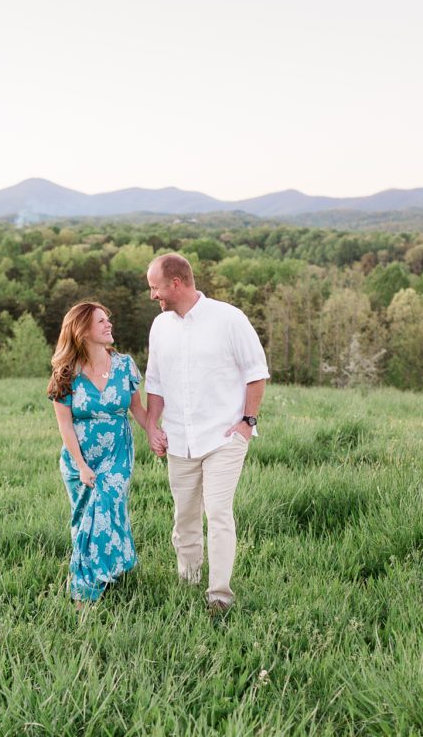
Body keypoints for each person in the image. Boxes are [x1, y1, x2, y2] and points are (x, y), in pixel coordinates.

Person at [144, 253, 269, 614]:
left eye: (156, 288)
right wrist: (152, 426)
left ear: (176, 284)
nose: (154, 296)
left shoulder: (229, 318)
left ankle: (219, 595)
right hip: (179, 439)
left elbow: (256, 372)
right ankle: (189, 580)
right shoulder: (160, 326)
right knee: (184, 518)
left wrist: (247, 423)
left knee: (217, 512)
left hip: (223, 437)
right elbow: (155, 384)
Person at [48, 301, 149, 607]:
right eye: (101, 322)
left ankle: (85, 592)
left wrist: (155, 433)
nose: (109, 325)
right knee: (84, 520)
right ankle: (110, 568)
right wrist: (80, 465)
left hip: (117, 454)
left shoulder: (124, 365)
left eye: (108, 320)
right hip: (80, 460)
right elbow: (64, 425)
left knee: (103, 510)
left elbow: (137, 409)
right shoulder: (66, 372)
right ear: (82, 331)